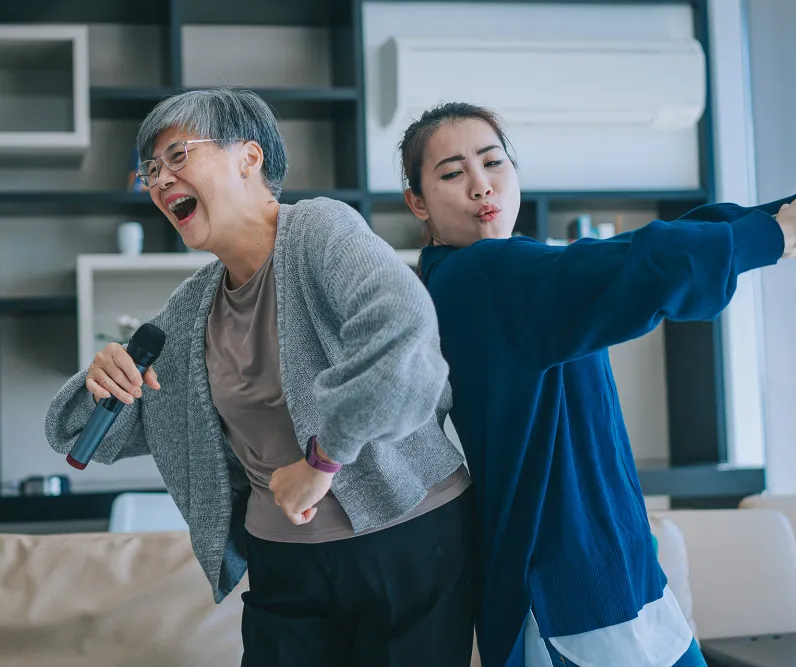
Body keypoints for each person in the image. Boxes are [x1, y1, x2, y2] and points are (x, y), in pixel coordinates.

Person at [397, 102, 796, 667]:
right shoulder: (478, 276)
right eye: (452, 173)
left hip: (616, 572)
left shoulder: (509, 270)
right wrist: (771, 233)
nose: (480, 185)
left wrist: (781, 216)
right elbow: (635, 265)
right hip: (569, 594)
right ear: (418, 203)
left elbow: (626, 250)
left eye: (493, 162)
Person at [44, 88, 476, 666]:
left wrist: (324, 459)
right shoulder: (190, 309)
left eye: (178, 156)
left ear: (249, 158)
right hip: (284, 560)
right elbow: (80, 435)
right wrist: (99, 380)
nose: (160, 179)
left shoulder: (320, 230)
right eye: (151, 170)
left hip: (406, 533)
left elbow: (404, 334)